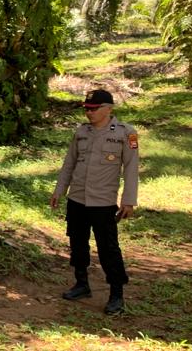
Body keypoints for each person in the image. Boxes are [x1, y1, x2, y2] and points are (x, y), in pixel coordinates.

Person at [49, 89, 139, 315]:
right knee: (77, 242)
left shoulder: (126, 134)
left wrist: (128, 200)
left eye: (94, 109)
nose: (89, 113)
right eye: (87, 109)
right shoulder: (81, 132)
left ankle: (116, 295)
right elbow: (69, 164)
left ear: (109, 109)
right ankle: (81, 284)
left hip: (103, 201)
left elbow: (131, 169)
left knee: (108, 248)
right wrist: (60, 190)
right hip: (77, 198)